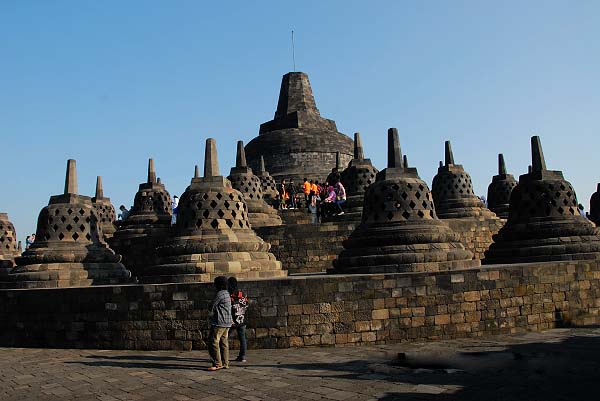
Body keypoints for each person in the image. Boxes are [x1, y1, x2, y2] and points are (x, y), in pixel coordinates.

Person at [207, 276, 233, 371]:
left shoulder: (220, 294)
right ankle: (225, 363)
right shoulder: (227, 293)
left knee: (213, 342)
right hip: (227, 322)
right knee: (224, 342)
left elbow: (211, 305)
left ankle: (217, 363)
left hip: (219, 322)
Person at [228, 277, 248, 363]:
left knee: (224, 338)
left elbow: (228, 308)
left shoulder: (230, 294)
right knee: (242, 338)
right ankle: (242, 356)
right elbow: (246, 305)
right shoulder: (242, 293)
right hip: (241, 318)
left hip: (232, 320)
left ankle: (223, 355)